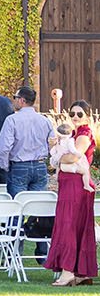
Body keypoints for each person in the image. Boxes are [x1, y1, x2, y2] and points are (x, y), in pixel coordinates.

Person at [45, 116, 97, 285]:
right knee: (74, 226)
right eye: (73, 113)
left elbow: (73, 158)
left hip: (75, 188)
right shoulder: (71, 135)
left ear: (87, 116)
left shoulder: (83, 134)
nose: (76, 116)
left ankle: (68, 272)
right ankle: (80, 272)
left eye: (80, 114)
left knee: (69, 226)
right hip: (69, 186)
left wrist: (58, 160)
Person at [0, 85, 52, 196]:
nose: (14, 101)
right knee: (37, 206)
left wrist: (5, 165)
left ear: (22, 100)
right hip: (40, 164)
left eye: (15, 97)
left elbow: (4, 147)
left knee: (18, 205)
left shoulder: (12, 120)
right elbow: (52, 143)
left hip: (19, 165)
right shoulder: (45, 121)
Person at [50, 121, 95, 193]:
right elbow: (72, 150)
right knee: (85, 171)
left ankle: (57, 175)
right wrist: (78, 154)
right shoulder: (70, 140)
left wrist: (56, 155)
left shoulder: (58, 141)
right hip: (69, 166)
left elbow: (52, 151)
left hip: (62, 166)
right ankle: (86, 185)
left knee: (58, 166)